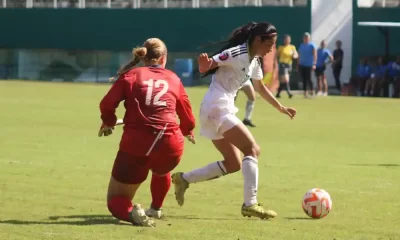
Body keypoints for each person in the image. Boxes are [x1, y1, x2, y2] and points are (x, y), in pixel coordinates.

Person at [171, 22, 297, 220]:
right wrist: (204, 64)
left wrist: (280, 107)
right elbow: (208, 65)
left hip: (218, 109)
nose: (271, 49)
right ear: (257, 40)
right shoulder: (237, 52)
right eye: (269, 44)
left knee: (233, 164)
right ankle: (250, 204)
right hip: (217, 106)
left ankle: (183, 179)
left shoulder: (254, 61)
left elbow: (260, 88)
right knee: (252, 149)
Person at [99, 38, 196, 227]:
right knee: (161, 170)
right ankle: (156, 209)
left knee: (116, 199)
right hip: (171, 144)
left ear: (143, 57)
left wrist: (109, 122)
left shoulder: (132, 75)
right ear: (164, 58)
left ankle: (131, 214)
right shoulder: (174, 79)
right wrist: (187, 130)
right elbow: (188, 117)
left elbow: (107, 104)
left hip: (138, 144)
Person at [275, 34, 298, 98]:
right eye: (286, 39)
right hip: (282, 64)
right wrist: (275, 64)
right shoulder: (281, 47)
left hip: (289, 65)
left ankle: (278, 94)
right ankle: (289, 93)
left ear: (290, 40)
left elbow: (296, 54)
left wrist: (295, 56)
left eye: (288, 39)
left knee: (283, 82)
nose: (287, 41)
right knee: (286, 79)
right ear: (284, 40)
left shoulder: (292, 47)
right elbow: (276, 56)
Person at [298, 32, 317, 97]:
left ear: (309, 38)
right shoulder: (301, 45)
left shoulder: (312, 45)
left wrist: (314, 64)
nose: (306, 38)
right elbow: (299, 55)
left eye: (307, 37)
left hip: (309, 65)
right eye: (305, 37)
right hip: (302, 64)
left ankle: (312, 91)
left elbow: (315, 55)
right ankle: (305, 92)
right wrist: (298, 64)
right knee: (304, 79)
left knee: (309, 78)